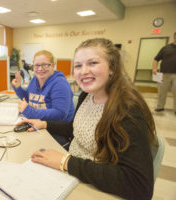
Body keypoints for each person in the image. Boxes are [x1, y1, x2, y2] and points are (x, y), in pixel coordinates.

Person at [20, 38, 157, 200]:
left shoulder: (127, 110)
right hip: (73, 170)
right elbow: (77, 128)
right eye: (78, 65)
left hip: (96, 185)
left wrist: (67, 162)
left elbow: (139, 185)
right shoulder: (87, 94)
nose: (83, 71)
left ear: (112, 67)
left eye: (92, 63)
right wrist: (45, 124)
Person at [12, 50, 75, 147]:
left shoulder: (60, 84)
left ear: (53, 66)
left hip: (56, 132)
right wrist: (18, 88)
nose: (40, 69)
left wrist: (30, 112)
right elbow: (30, 99)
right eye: (36, 65)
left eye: (45, 65)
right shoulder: (35, 80)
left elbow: (60, 114)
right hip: (38, 124)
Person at [153, 32, 176, 115]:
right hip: (164, 74)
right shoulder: (166, 48)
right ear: (174, 37)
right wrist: (154, 68)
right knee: (162, 92)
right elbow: (156, 59)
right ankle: (160, 107)